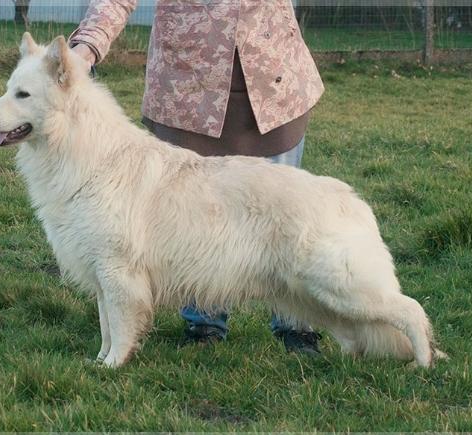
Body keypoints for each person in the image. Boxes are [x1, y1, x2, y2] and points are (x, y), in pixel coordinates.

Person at [69, 0, 325, 354]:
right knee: (193, 219)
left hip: (273, 83)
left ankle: (297, 323)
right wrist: (88, 46)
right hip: (188, 92)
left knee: (286, 216)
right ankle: (204, 322)